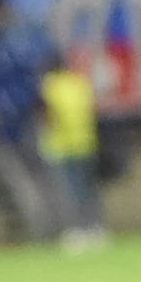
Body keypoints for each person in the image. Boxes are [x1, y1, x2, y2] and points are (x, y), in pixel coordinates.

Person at [38, 51, 106, 249]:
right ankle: (95, 229)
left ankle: (77, 231)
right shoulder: (79, 83)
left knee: (70, 192)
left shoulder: (49, 86)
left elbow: (48, 114)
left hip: (60, 146)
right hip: (85, 143)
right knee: (88, 191)